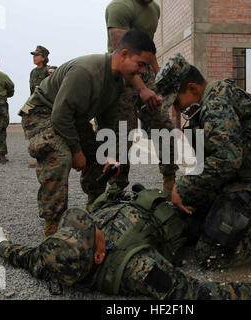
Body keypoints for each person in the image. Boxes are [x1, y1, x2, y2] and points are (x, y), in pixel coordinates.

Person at [155, 53, 251, 275]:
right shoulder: (211, 100)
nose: (177, 109)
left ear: (192, 88)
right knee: (189, 212)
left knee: (211, 254)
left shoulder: (216, 105)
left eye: (177, 101)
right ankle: (245, 227)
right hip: (241, 181)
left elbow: (227, 159)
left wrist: (182, 187)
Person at [0, 181, 251, 300]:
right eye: (91, 231)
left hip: (137, 200)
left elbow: (24, 255)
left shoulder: (53, 257)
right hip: (170, 221)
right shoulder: (139, 269)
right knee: (217, 239)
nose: (91, 223)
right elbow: (197, 293)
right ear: (99, 256)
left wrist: (1, 243)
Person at [19, 29, 158, 237]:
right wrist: (76, 151)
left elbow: (107, 122)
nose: (140, 72)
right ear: (123, 54)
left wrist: (109, 155)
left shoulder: (118, 82)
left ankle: (94, 209)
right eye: (140, 64)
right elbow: (59, 116)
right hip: (42, 113)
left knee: (100, 160)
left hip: (72, 117)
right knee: (60, 156)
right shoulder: (86, 72)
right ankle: (53, 226)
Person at [103, 0, 178, 201]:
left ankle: (170, 184)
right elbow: (123, 56)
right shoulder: (119, 7)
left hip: (143, 73)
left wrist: (158, 78)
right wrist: (142, 89)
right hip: (120, 75)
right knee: (121, 135)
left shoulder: (154, 9)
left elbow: (148, 50)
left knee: (163, 126)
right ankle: (115, 190)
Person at [28, 47, 53, 169]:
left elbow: (56, 71)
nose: (34, 57)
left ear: (44, 57)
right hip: (34, 104)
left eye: (37, 55)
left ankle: (44, 157)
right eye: (34, 55)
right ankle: (38, 155)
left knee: (44, 131)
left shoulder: (48, 70)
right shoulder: (33, 72)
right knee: (32, 129)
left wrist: (54, 70)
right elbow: (31, 91)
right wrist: (27, 108)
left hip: (46, 106)